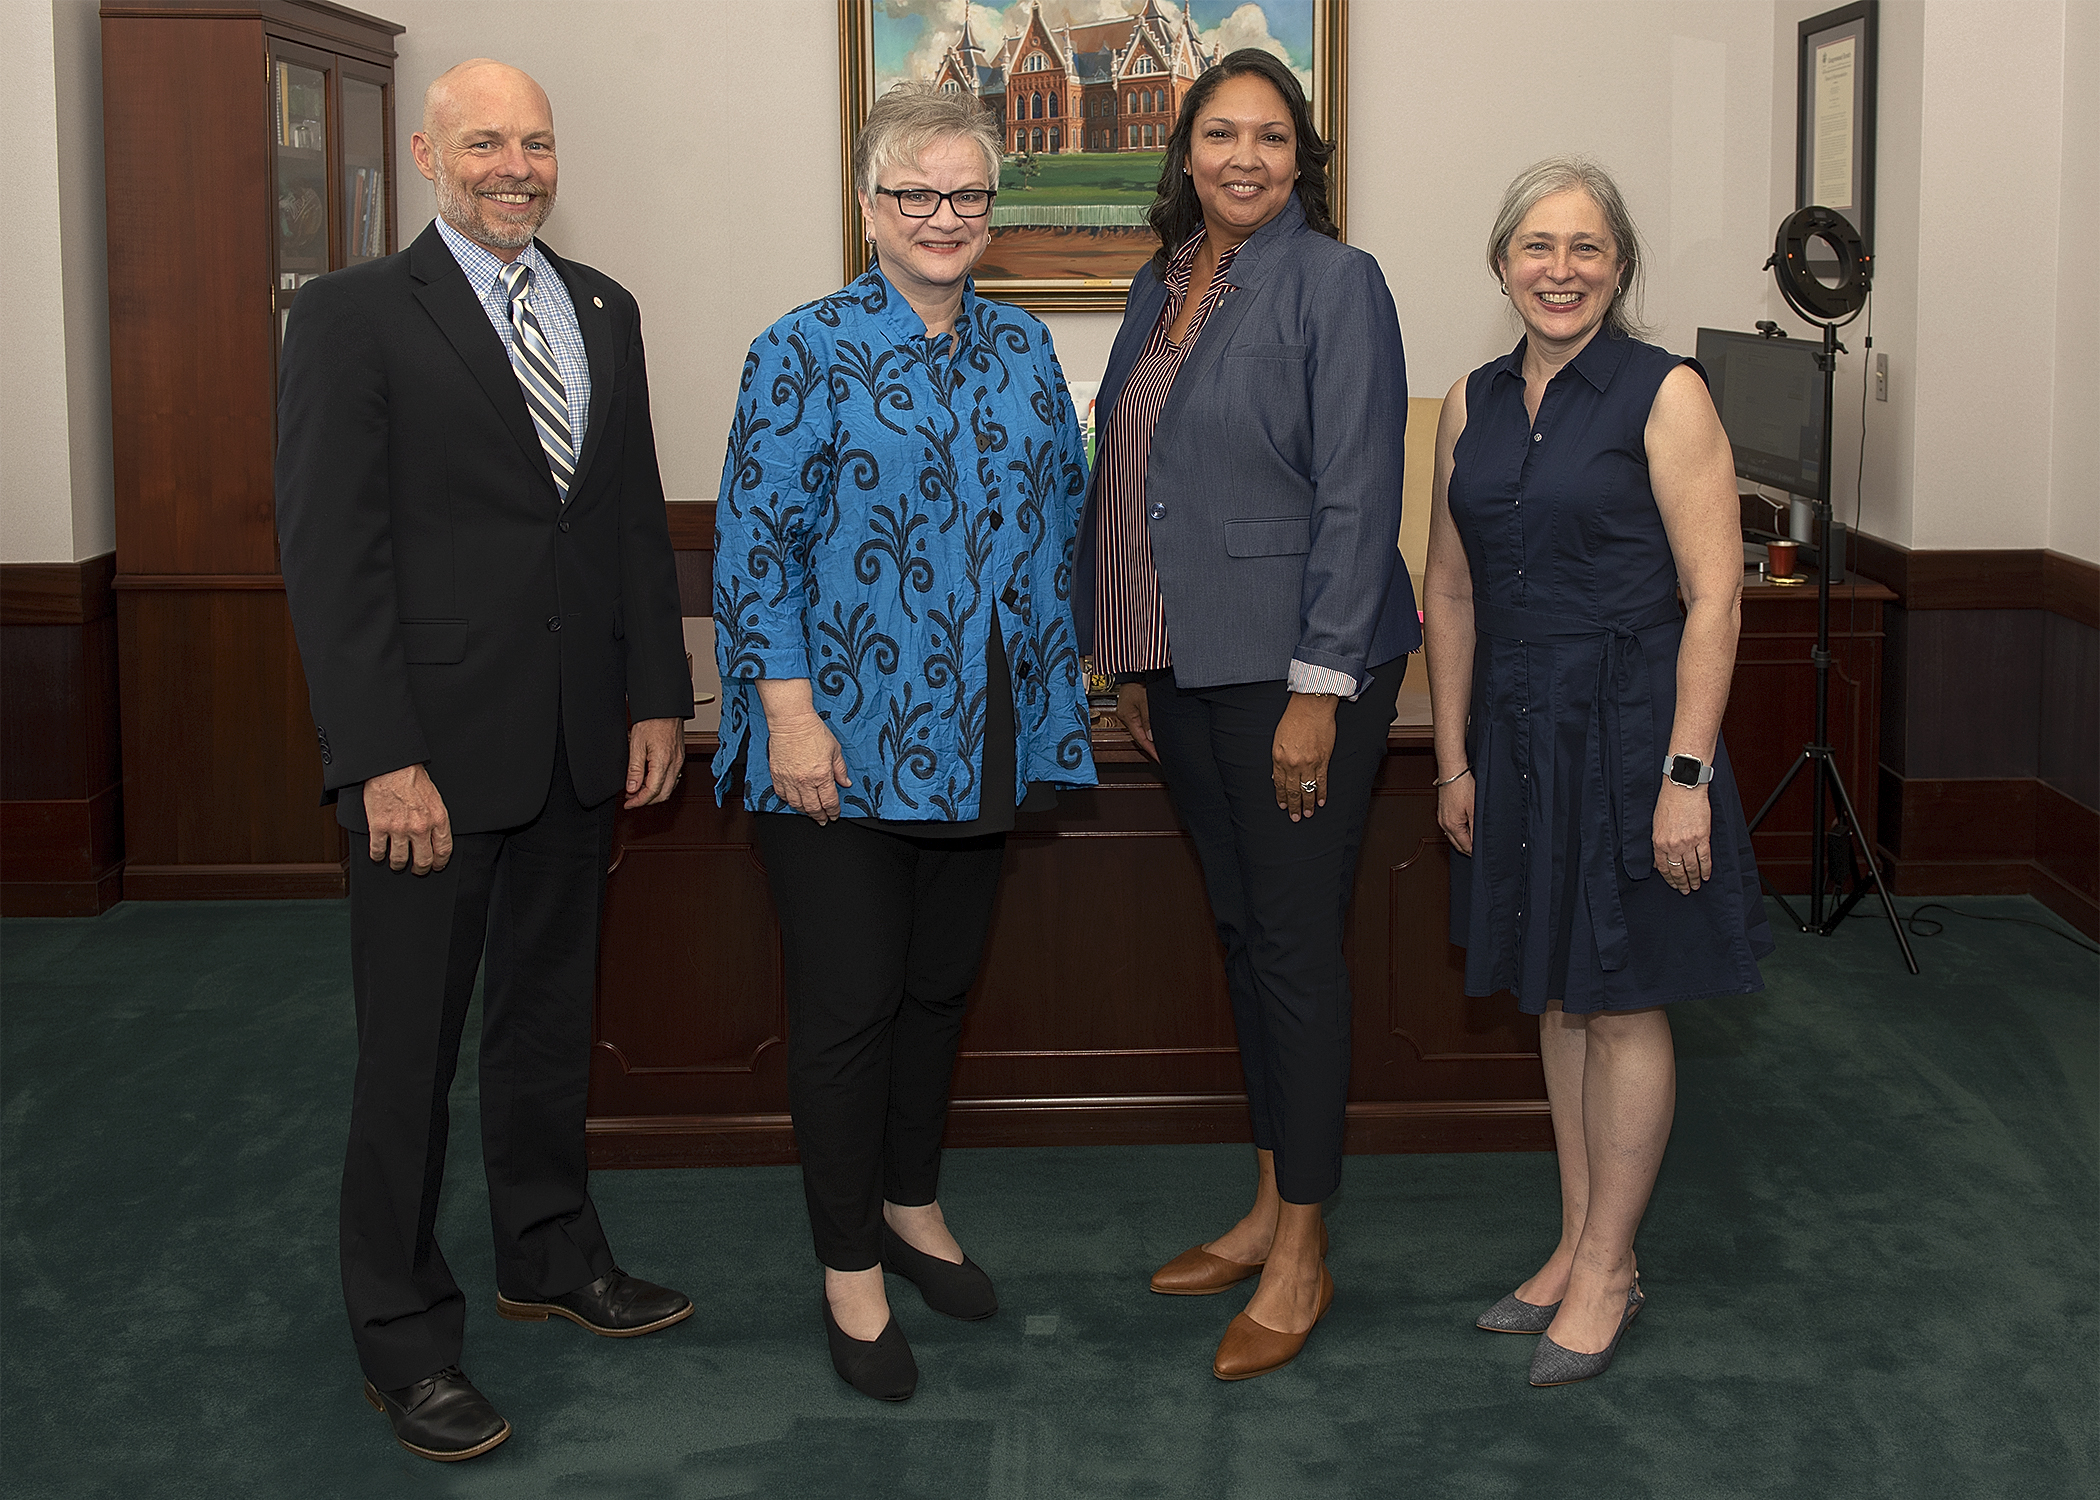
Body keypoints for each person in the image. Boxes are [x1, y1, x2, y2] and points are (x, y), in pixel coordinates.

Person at [275, 60, 693, 1461]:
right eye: (484, 143)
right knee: (408, 1057)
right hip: (429, 771)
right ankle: (402, 1338)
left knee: (543, 1022)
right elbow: (334, 561)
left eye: (536, 142)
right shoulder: (347, 318)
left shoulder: (601, 310)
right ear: (425, 153)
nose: (514, 166)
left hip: (581, 743)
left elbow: (626, 516)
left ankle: (550, 1254)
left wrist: (653, 695)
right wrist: (379, 757)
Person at [710, 85, 1095, 1403]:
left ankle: (911, 1206)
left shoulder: (1025, 349)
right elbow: (754, 545)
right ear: (870, 207)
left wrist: (1073, 684)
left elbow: (1063, 523)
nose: (945, 218)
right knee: (848, 1011)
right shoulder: (800, 350)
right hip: (841, 743)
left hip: (984, 735)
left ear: (993, 208)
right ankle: (849, 1273)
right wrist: (791, 717)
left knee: (939, 989)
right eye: (917, 195)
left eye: (968, 195)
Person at [1075, 50, 1419, 1382]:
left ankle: (1305, 1249)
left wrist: (1319, 695)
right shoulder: (1162, 284)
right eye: (1221, 135)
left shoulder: (1335, 283)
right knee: (1242, 933)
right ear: (1186, 149)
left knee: (1293, 948)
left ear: (1301, 156)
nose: (1245, 158)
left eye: (1271, 138)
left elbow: (1355, 491)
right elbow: (1133, 482)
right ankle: (1270, 1198)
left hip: (1299, 672)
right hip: (1185, 666)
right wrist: (1130, 666)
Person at [1422, 156, 1773, 1387]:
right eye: (1536, 246)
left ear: (1619, 267)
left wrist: (1686, 773)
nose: (1558, 270)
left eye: (1585, 249)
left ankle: (1615, 1269)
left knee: (1622, 999)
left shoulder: (1664, 391)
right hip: (1518, 733)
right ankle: (1575, 1243)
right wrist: (1454, 760)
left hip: (1633, 732)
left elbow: (1716, 594)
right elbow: (1450, 588)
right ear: (1501, 262)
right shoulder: (1467, 403)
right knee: (1559, 995)